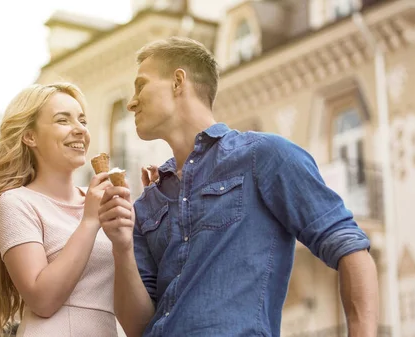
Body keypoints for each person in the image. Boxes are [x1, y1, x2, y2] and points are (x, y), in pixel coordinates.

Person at [98, 37, 379, 337]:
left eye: (141, 85)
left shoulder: (263, 155)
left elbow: (351, 250)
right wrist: (122, 246)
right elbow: (138, 326)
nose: (131, 102)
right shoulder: (147, 203)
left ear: (178, 82)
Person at [0, 83, 119, 336]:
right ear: (30, 136)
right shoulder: (16, 203)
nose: (79, 130)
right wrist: (89, 222)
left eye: (83, 121)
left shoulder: (99, 198)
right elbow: (42, 300)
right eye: (62, 120)